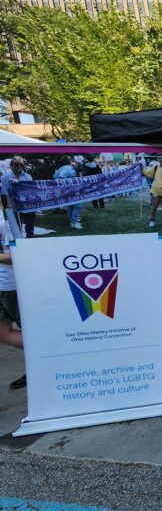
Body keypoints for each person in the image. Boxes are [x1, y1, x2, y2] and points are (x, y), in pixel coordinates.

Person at [0, 213, 25, 389]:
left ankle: (46, 362)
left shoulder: (6, 220)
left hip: (9, 286)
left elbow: (17, 256)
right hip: (4, 285)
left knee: (29, 331)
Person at [1, 156, 35, 238]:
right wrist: (9, 205)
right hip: (14, 204)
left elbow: (31, 191)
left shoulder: (28, 177)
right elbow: (5, 193)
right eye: (16, 164)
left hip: (27, 204)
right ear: (12, 166)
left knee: (30, 222)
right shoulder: (5, 178)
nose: (19, 166)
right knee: (16, 224)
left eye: (21, 165)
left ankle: (30, 236)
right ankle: (19, 239)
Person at [53, 156, 83, 230]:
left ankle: (73, 221)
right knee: (77, 205)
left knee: (71, 205)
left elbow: (54, 176)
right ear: (69, 161)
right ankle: (74, 222)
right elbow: (61, 178)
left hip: (67, 190)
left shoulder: (62, 168)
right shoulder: (67, 168)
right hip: (71, 189)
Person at [143, 156, 162, 228]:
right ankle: (152, 221)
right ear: (157, 159)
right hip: (156, 190)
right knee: (154, 207)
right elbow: (147, 173)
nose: (160, 159)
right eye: (159, 158)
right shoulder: (156, 167)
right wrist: (141, 167)